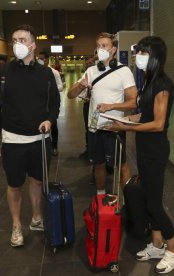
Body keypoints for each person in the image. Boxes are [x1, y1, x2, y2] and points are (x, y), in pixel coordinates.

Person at [0, 24, 60, 248]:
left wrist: (50, 120)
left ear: (33, 44)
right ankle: (16, 225)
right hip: (13, 140)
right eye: (14, 40)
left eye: (22, 40)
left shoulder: (46, 73)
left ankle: (36, 218)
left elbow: (55, 104)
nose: (17, 44)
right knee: (14, 185)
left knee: (37, 181)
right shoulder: (3, 72)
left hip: (40, 140)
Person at [106, 36, 174, 274]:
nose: (138, 56)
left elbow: (158, 124)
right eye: (138, 52)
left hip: (156, 150)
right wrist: (123, 119)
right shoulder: (149, 81)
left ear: (155, 57)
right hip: (145, 148)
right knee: (150, 199)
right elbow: (145, 115)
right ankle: (158, 244)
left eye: (143, 53)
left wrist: (126, 128)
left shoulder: (162, 84)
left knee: (155, 204)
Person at [67, 32, 137, 193]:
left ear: (113, 50)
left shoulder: (123, 71)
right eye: (98, 46)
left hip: (114, 127)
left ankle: (127, 200)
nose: (100, 49)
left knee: (121, 164)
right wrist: (80, 86)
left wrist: (111, 106)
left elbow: (133, 102)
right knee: (98, 164)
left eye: (104, 46)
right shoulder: (91, 71)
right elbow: (70, 95)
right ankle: (100, 196)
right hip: (94, 128)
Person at [37, 51, 64, 156]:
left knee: (53, 124)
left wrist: (50, 89)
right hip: (39, 104)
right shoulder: (34, 71)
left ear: (47, 59)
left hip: (51, 103)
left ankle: (54, 147)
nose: (40, 60)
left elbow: (61, 86)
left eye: (42, 58)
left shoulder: (54, 72)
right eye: (38, 58)